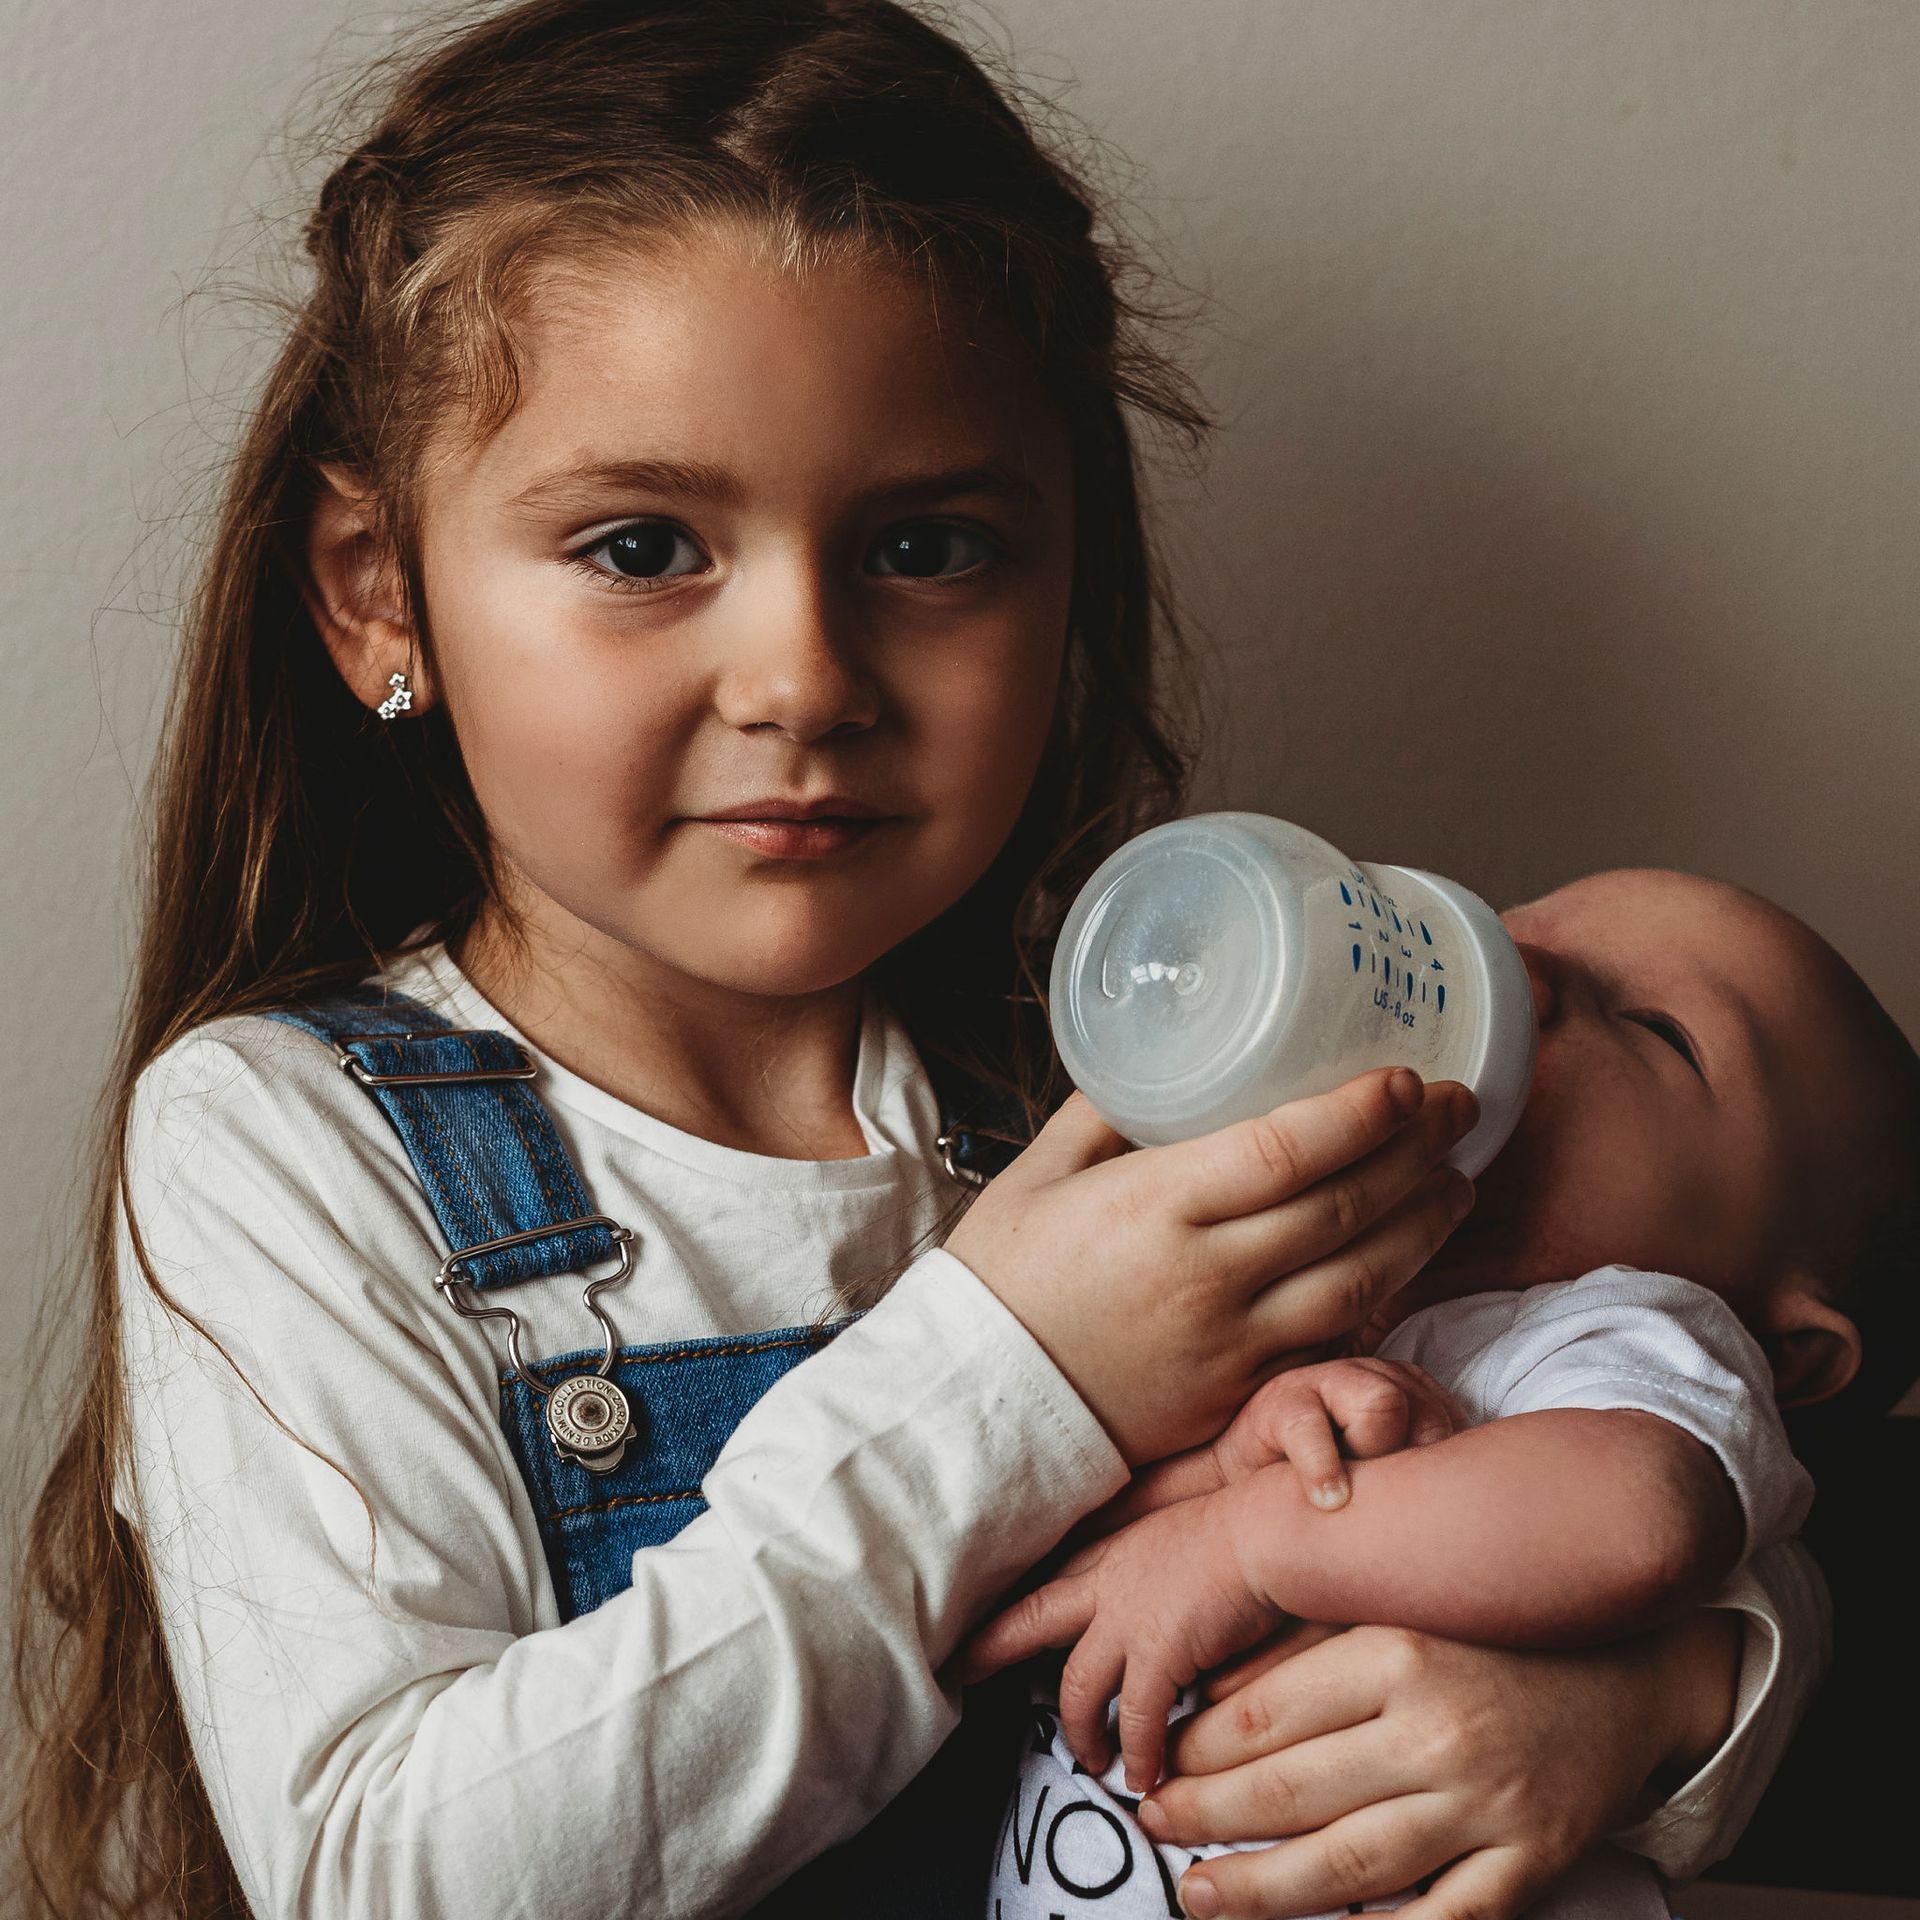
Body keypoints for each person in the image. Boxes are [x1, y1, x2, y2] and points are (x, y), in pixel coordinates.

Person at [0, 5, 1827, 1918]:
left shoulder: (1152, 1078)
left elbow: (1657, 1435)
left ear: (1068, 573)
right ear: (382, 593)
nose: (802, 680)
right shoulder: (281, 1143)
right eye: (640, 548)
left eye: (930, 546)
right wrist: (1025, 1375)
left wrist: (1663, 1706)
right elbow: (393, 1877)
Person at [970, 867, 1920, 1919]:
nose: (1527, 983)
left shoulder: (1621, 1334)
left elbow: (1640, 1516)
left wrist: (1251, 1539)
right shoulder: (1301, 1282)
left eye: (1659, 1030)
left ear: (1785, 1355)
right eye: (1510, 939)